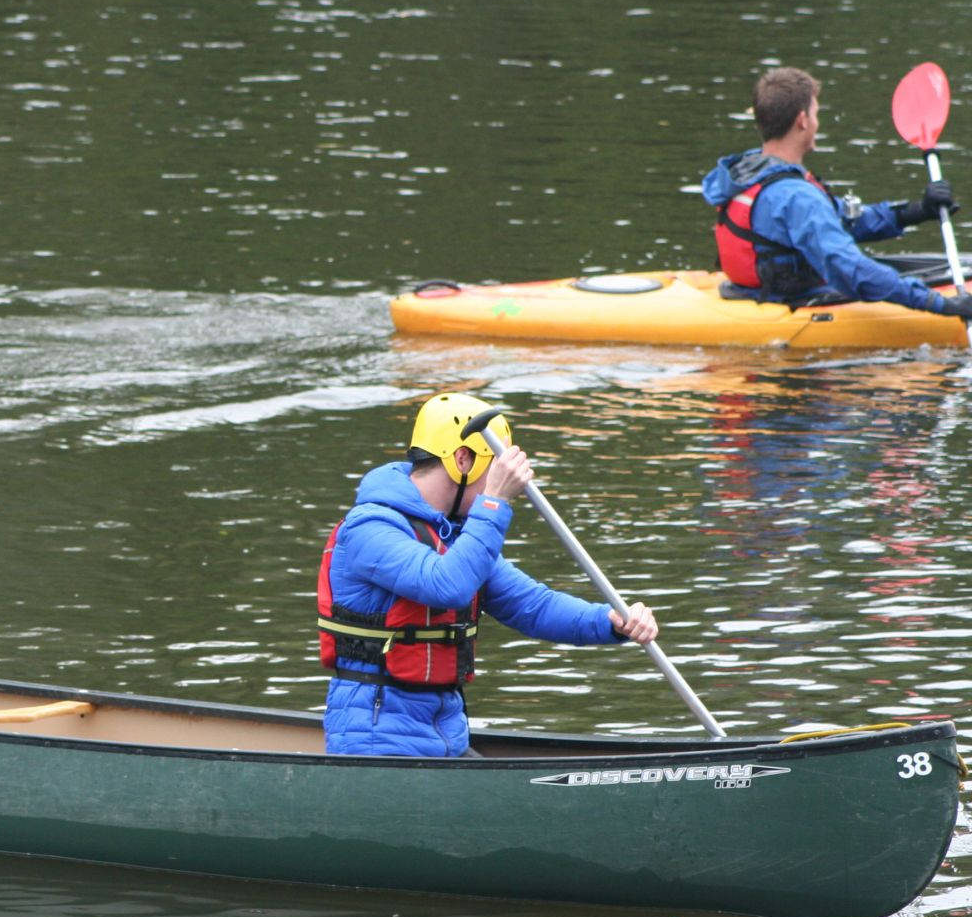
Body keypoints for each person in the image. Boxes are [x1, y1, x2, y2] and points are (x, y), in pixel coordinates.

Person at [316, 394, 658, 758]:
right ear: (462, 459)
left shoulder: (455, 536)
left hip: (445, 733)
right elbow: (446, 586)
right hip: (376, 739)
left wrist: (610, 622)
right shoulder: (370, 527)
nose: (500, 481)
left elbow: (533, 606)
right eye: (494, 468)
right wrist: (493, 499)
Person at [702, 65, 972, 316]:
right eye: (816, 113)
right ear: (802, 121)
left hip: (756, 292)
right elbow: (850, 269)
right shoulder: (797, 197)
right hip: (794, 303)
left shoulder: (749, 172)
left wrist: (915, 211)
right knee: (897, 277)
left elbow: (844, 219)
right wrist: (938, 303)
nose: (817, 123)